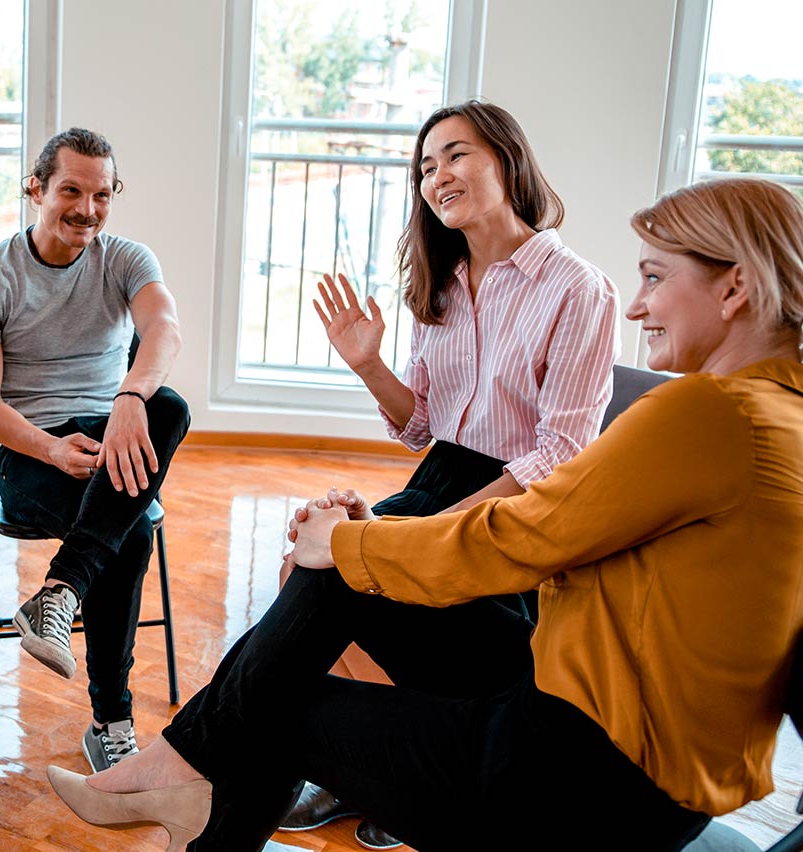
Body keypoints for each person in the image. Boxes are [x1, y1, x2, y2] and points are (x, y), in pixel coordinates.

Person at [47, 175, 803, 852]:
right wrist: (366, 545)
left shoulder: (711, 415)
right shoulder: (784, 414)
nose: (638, 306)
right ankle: (175, 775)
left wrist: (356, 544)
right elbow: (554, 527)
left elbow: (527, 532)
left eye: (655, 278)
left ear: (736, 286)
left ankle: (177, 779)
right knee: (330, 596)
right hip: (614, 722)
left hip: (590, 782)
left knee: (279, 704)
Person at [283, 100, 619, 844]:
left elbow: (560, 454)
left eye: (456, 155)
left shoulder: (577, 287)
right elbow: (419, 427)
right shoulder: (443, 281)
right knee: (307, 558)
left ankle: (391, 773)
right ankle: (359, 772)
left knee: (343, 570)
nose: (438, 176)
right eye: (426, 167)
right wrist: (368, 364)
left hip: (519, 506)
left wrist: (426, 533)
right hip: (441, 478)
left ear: (506, 158)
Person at [0, 127, 189, 772]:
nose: (88, 208)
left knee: (169, 405)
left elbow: (164, 330)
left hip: (114, 433)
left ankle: (60, 591)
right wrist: (53, 451)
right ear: (36, 189)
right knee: (132, 532)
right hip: (30, 450)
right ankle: (112, 721)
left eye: (102, 194)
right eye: (71, 191)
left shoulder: (126, 259)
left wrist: (130, 399)